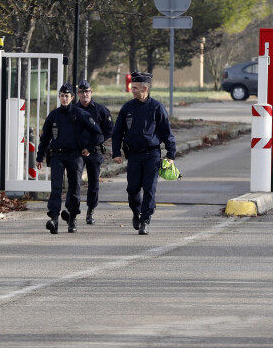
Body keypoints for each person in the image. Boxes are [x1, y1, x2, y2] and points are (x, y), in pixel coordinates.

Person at [111, 72, 176, 235]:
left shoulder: (157, 107)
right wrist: (116, 152)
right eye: (132, 87)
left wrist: (171, 154)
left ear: (145, 88)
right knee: (132, 189)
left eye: (135, 88)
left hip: (152, 154)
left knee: (149, 188)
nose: (132, 90)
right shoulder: (127, 108)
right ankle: (136, 211)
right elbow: (117, 132)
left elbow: (166, 132)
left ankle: (145, 220)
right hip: (133, 154)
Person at [36, 83, 103, 234]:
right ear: (59, 97)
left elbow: (97, 132)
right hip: (57, 155)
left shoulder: (80, 114)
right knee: (56, 187)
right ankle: (53, 218)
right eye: (62, 96)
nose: (64, 98)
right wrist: (39, 157)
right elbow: (45, 138)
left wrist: (89, 148)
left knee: (74, 187)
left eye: (67, 96)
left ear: (72, 97)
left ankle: (72, 217)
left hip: (75, 155)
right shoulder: (54, 115)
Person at [75, 79, 114, 225]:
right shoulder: (73, 110)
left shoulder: (100, 110)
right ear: (78, 94)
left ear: (91, 93)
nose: (85, 94)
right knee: (75, 182)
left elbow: (109, 130)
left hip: (94, 152)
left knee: (93, 183)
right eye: (82, 92)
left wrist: (94, 144)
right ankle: (74, 210)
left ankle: (91, 210)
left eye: (87, 92)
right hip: (77, 152)